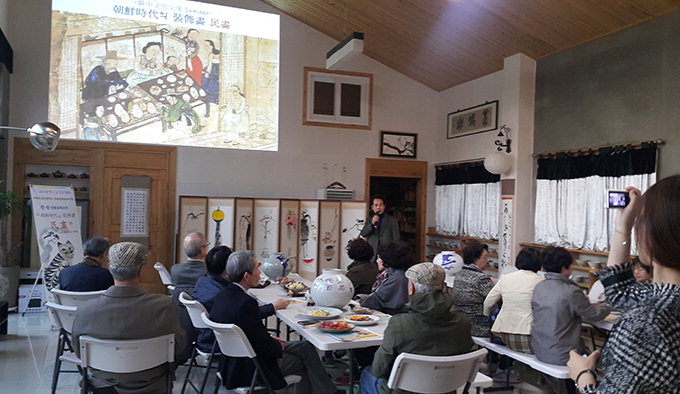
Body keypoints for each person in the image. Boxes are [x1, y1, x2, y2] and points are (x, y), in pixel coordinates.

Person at [567, 177, 680, 393]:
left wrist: (583, 376)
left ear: (653, 234)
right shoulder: (662, 300)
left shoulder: (646, 324)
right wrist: (623, 228)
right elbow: (618, 289)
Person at [209, 250, 339, 393]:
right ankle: (329, 391)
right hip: (253, 367)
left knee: (306, 347)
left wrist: (271, 340)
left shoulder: (222, 295)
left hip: (230, 363)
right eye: (257, 269)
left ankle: (329, 391)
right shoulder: (246, 303)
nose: (260, 272)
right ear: (246, 276)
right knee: (304, 359)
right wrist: (277, 345)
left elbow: (249, 332)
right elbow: (264, 344)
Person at [71, 242, 186, 393]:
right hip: (153, 385)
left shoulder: (85, 310)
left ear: (110, 268)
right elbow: (179, 348)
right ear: (142, 270)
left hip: (104, 386)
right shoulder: (164, 306)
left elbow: (79, 352)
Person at [360, 262, 474, 394]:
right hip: (446, 389)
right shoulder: (463, 323)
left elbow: (379, 369)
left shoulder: (400, 324)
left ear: (411, 289)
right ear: (444, 287)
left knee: (366, 374)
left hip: (403, 391)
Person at [192, 245, 292, 353]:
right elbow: (246, 315)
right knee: (303, 349)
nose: (259, 272)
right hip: (228, 346)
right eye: (257, 269)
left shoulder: (204, 281)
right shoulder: (223, 295)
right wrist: (273, 307)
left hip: (210, 339)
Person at [531, 247, 610, 366]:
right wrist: (609, 304)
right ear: (565, 268)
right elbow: (595, 315)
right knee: (600, 357)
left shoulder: (539, 287)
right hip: (563, 355)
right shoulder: (571, 291)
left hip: (540, 349)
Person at [483, 247, 544, 353]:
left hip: (504, 335)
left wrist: (486, 317)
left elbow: (488, 303)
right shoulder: (542, 282)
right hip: (530, 336)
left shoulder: (506, 278)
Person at [172, 232, 209, 362]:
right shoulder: (208, 273)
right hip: (204, 323)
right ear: (203, 250)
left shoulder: (175, 270)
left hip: (179, 321)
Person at [358, 240, 415, 315]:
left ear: (388, 259)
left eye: (379, 258)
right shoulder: (391, 273)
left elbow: (378, 299)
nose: (377, 261)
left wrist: (360, 299)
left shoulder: (397, 278)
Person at [453, 240, 495, 337]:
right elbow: (494, 299)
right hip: (478, 327)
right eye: (484, 257)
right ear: (476, 259)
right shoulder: (481, 279)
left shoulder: (459, 274)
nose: (487, 260)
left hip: (460, 323)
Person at [360, 196, 400, 264]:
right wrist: (372, 224)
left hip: (386, 254)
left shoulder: (392, 220)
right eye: (376, 205)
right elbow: (363, 233)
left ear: (384, 206)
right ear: (372, 207)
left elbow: (396, 238)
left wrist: (394, 253)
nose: (378, 207)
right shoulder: (369, 219)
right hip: (372, 253)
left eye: (381, 205)